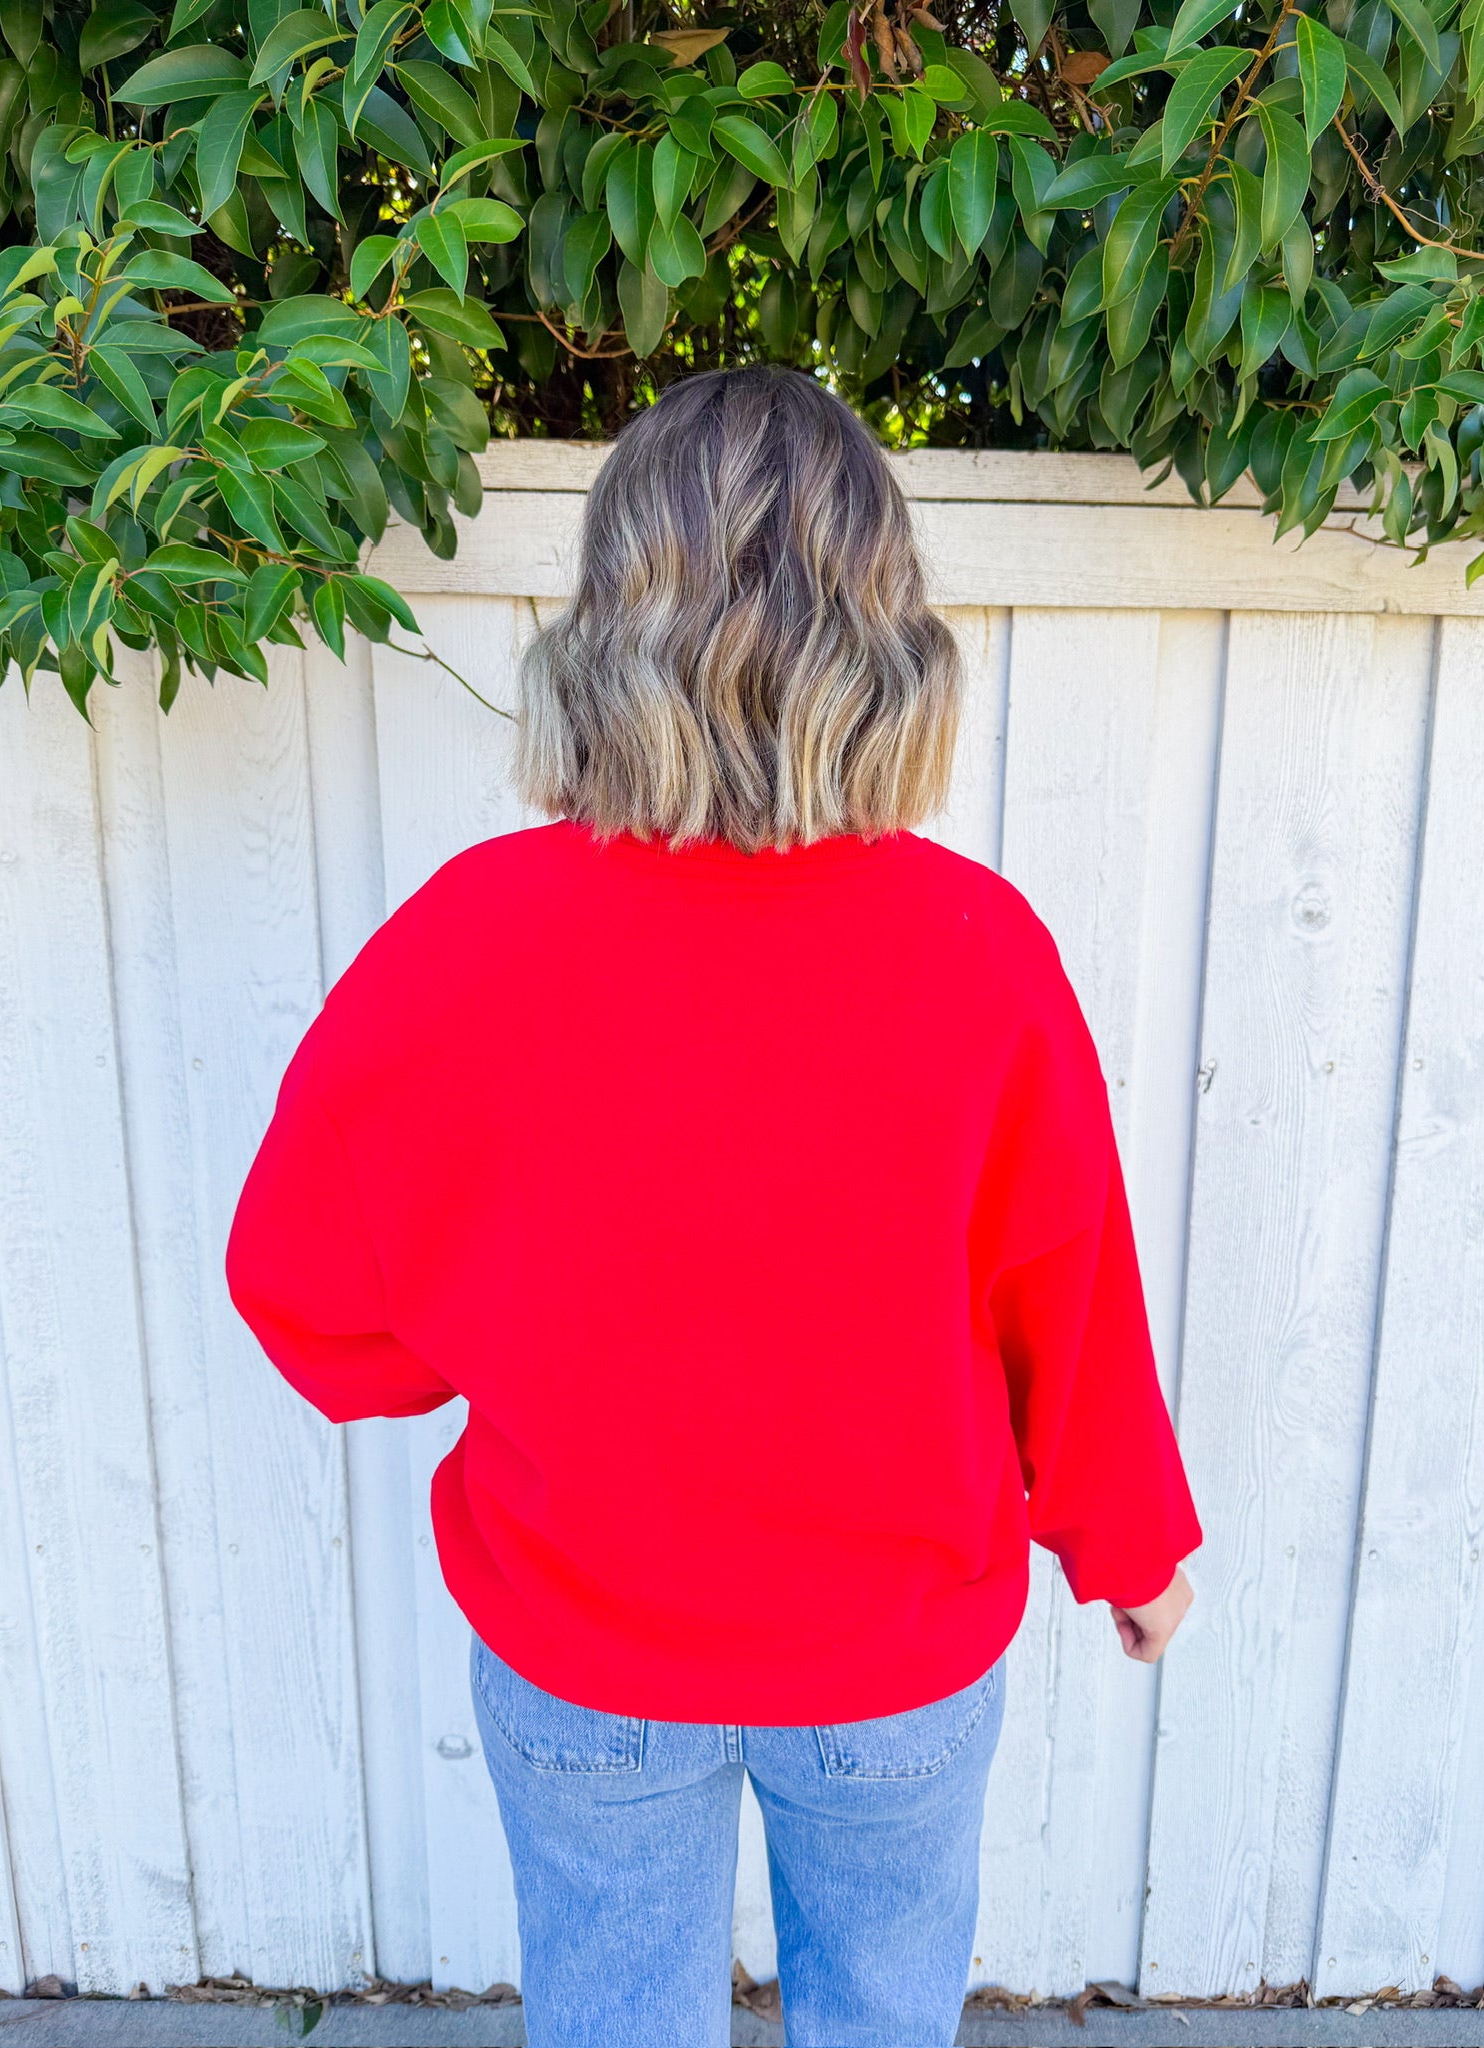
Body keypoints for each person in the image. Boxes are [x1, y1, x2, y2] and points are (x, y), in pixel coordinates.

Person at [226, 366, 1201, 2048]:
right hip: (895, 1658)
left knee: (613, 2020)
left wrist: (475, 1344)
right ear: (886, 640)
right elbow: (1072, 1298)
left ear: (609, 625)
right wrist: (1132, 1545)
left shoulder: (470, 935)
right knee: (885, 2020)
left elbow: (304, 1290)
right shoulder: (981, 954)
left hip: (582, 1640)